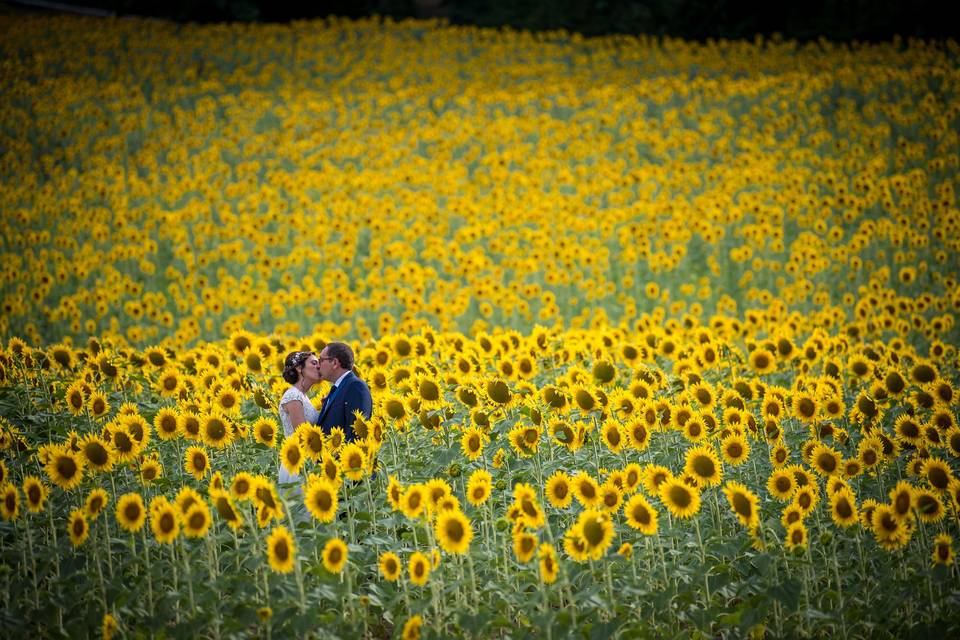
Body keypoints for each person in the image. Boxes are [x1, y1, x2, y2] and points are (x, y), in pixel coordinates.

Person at [278, 351, 321, 488]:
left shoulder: (302, 396)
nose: (318, 366)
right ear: (299, 368)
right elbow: (302, 435)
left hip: (306, 463)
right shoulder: (293, 396)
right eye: (314, 363)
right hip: (297, 464)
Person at [315, 342, 372, 442]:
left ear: (335, 363)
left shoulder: (356, 387)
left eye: (321, 360)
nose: (318, 365)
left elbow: (356, 434)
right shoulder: (338, 388)